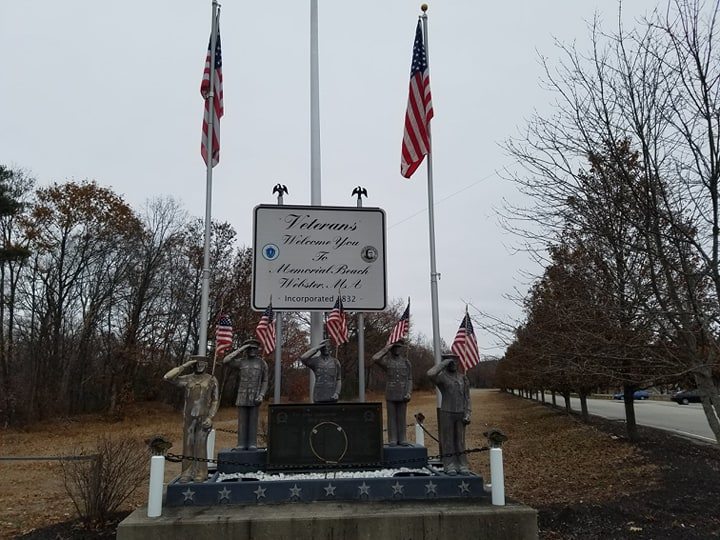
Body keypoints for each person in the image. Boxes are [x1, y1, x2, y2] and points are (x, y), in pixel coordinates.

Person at [163, 355, 219, 483]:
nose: (200, 366)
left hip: (204, 417)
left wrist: (210, 417)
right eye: (197, 363)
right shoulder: (188, 379)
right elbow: (167, 377)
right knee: (188, 445)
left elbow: (215, 400)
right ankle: (186, 472)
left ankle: (201, 472)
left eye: (202, 363)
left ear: (207, 365)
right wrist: (185, 365)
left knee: (200, 445)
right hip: (189, 417)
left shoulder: (211, 379)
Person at [427, 353, 471, 475]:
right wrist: (444, 363)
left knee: (460, 441)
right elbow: (430, 374)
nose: (454, 364)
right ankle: (449, 464)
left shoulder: (463, 378)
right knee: (448, 440)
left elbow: (467, 398)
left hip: (460, 413)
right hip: (447, 412)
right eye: (451, 362)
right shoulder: (442, 378)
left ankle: (462, 464)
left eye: (456, 361)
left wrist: (468, 413)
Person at [222, 338, 269, 450]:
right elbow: (226, 361)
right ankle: (241, 443)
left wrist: (261, 395)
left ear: (257, 349)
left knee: (253, 421)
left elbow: (265, 380)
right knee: (242, 421)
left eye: (254, 348)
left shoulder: (262, 363)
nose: (252, 350)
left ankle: (252, 443)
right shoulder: (241, 362)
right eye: (250, 348)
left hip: (255, 395)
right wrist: (241, 348)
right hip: (242, 394)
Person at [371, 339, 412, 445]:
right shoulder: (387, 361)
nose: (397, 349)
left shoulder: (406, 362)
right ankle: (392, 438)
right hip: (391, 393)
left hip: (403, 393)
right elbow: (375, 358)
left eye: (399, 347)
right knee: (391, 417)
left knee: (402, 418)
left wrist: (409, 392)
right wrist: (386, 348)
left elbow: (409, 379)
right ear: (391, 349)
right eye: (395, 347)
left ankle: (402, 438)